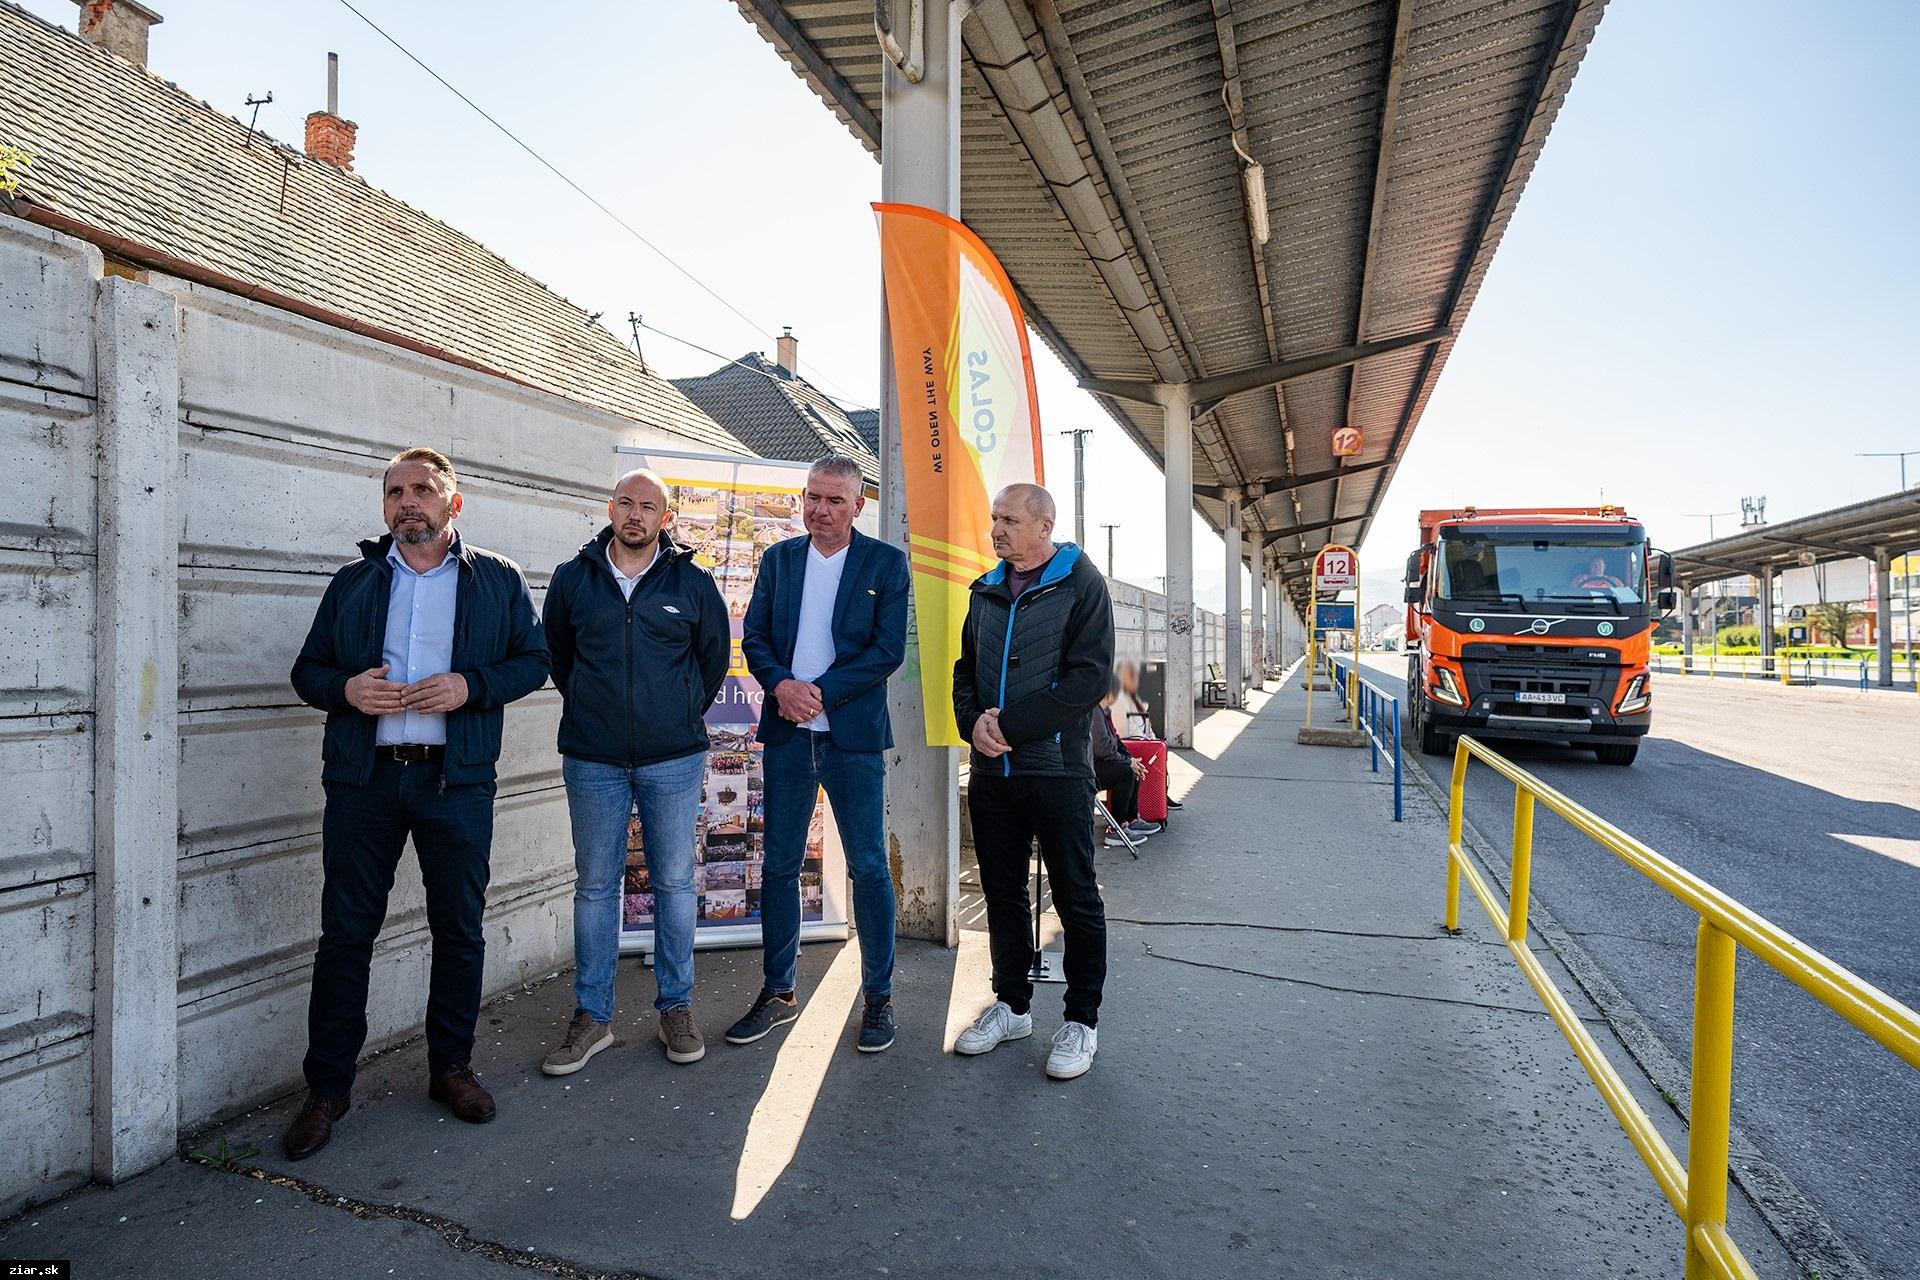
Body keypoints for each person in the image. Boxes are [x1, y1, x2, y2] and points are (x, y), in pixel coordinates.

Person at [285, 447, 549, 1159]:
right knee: (346, 934)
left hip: (454, 782)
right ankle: (329, 1088)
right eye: (396, 491)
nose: (409, 502)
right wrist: (345, 691)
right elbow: (306, 669)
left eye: (424, 490)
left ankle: (451, 1069)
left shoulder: (495, 579)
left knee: (459, 928)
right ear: (384, 507)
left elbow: (534, 659)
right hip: (364, 782)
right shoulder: (354, 583)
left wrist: (471, 685)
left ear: (452, 503)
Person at [539, 469, 729, 1075]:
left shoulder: (693, 583)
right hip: (592, 758)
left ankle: (675, 1007)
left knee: (673, 882)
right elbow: (559, 659)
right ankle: (591, 1017)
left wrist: (668, 717)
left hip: (672, 758)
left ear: (665, 518)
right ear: (611, 507)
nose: (636, 515)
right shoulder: (574, 579)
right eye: (626, 502)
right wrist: (601, 713)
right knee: (595, 886)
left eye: (649, 506)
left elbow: (711, 663)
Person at [728, 454, 912, 1052]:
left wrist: (820, 693)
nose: (819, 510)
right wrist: (782, 685)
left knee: (869, 867)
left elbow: (887, 651)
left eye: (834, 500)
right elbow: (754, 636)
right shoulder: (780, 559)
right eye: (812, 497)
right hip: (787, 735)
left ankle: (877, 999)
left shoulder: (885, 563)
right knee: (779, 867)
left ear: (859, 506)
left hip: (851, 738)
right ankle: (778, 993)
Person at [951, 483, 1114, 1081]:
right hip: (995, 771)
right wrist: (973, 724)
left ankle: (1081, 1021)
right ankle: (1012, 1005)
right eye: (994, 518)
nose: (996, 529)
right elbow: (964, 670)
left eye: (1009, 520)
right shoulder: (985, 589)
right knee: (1002, 892)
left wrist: (1009, 726)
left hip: (1060, 770)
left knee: (1076, 897)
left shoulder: (1082, 585)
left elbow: (1088, 680)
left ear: (1044, 526)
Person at [1091, 680, 1158, 847]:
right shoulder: (1094, 712)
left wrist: (1131, 760)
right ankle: (1116, 828)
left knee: (1132, 768)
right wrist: (1127, 763)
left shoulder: (1104, 712)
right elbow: (1102, 748)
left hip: (1103, 762)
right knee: (1126, 772)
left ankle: (1131, 818)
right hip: (1091, 768)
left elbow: (1117, 741)